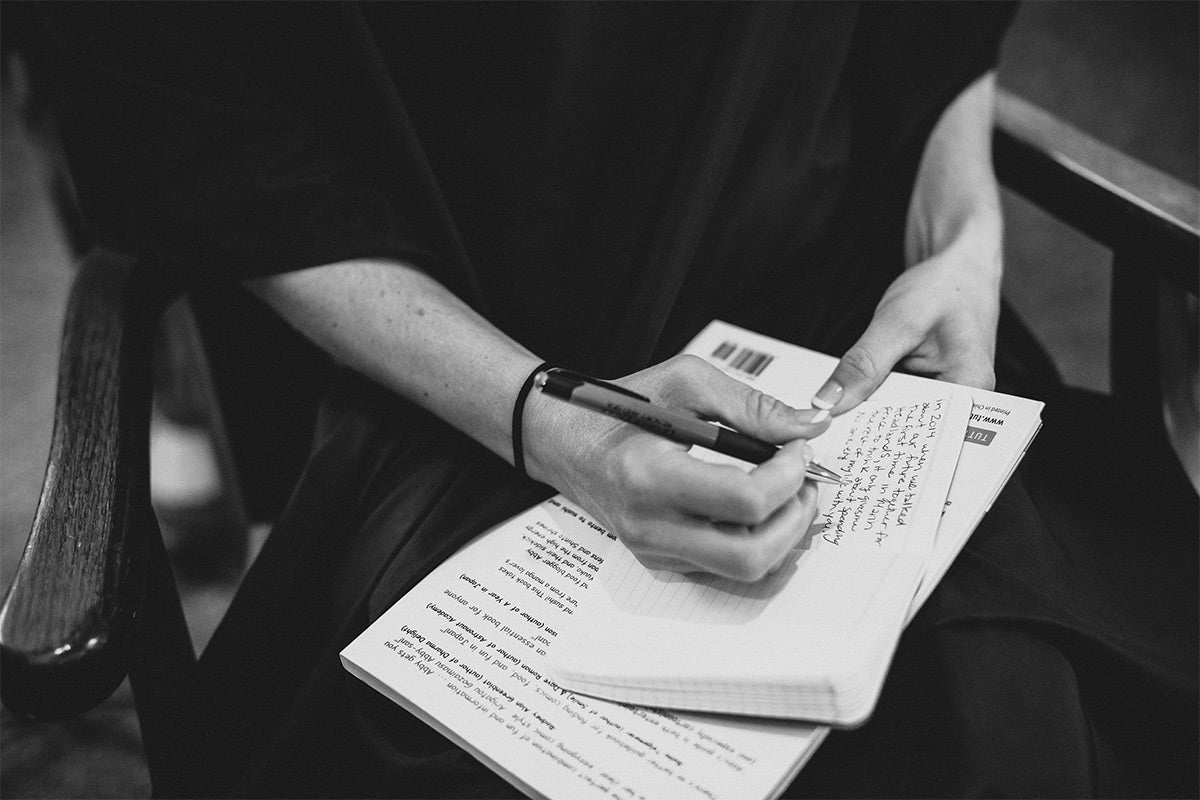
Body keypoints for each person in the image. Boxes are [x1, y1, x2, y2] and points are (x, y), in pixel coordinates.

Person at [32, 2, 1195, 797]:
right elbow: (205, 140)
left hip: (836, 333)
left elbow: (924, 20)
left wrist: (964, 231)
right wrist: (553, 416)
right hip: (464, 383)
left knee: (1007, 711)